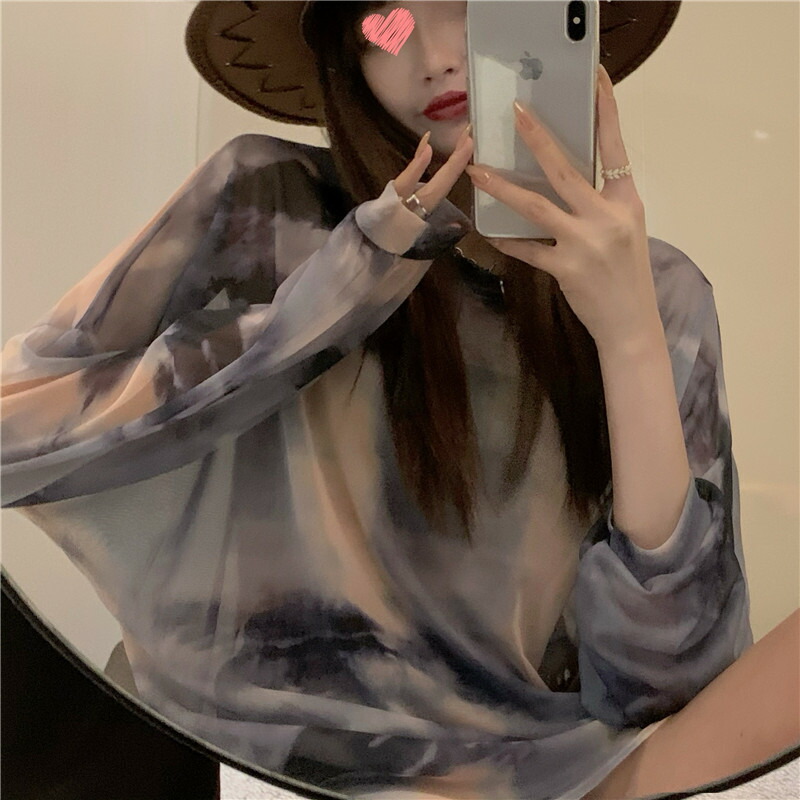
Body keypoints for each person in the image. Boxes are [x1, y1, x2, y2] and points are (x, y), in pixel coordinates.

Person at [2, 2, 797, 798]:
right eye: (383, 23)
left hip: (546, 774)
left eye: (469, 6)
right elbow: (15, 437)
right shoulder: (269, 201)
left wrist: (629, 336)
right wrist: (350, 279)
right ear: (347, 55)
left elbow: (667, 687)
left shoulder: (662, 292)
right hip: (271, 764)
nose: (436, 57)